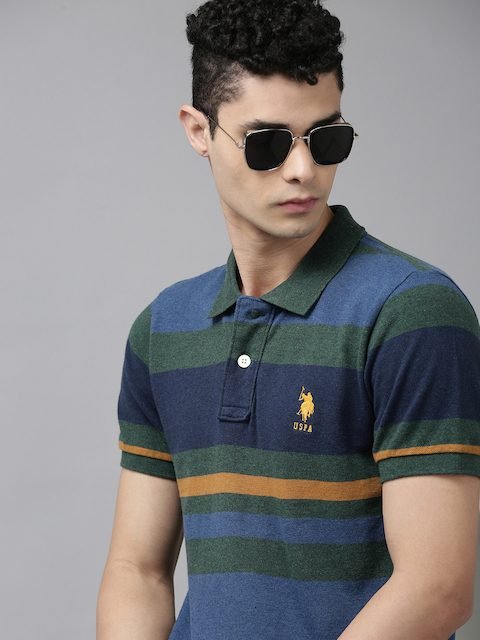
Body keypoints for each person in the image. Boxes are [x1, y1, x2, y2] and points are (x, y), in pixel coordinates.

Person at [96, 1, 480, 639]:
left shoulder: (411, 313)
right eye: (267, 143)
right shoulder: (163, 329)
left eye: (326, 138)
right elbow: (137, 569)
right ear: (198, 131)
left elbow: (437, 588)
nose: (303, 169)